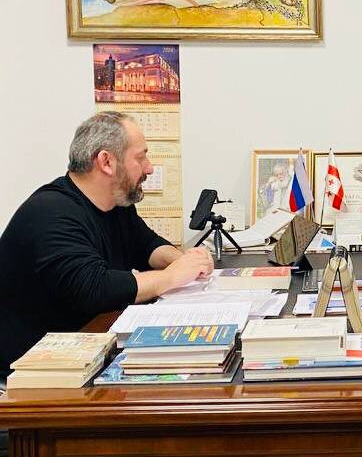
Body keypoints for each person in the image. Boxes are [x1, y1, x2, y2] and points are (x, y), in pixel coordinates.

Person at [0, 112, 214, 378]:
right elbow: (95, 288)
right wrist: (172, 276)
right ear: (106, 162)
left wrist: (186, 261)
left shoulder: (116, 204)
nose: (149, 168)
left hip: (85, 354)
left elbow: (147, 245)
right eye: (141, 157)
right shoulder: (50, 213)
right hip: (32, 375)